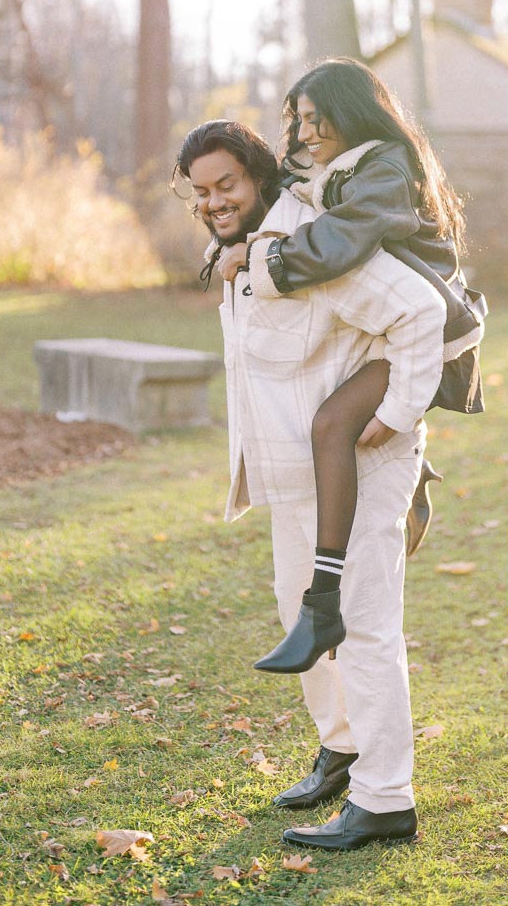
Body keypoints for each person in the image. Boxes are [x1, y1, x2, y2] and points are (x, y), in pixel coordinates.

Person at [172, 118, 447, 850]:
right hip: (294, 475)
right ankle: (343, 749)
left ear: (260, 175)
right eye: (201, 191)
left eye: (227, 184)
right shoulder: (243, 251)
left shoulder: (314, 245)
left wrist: (396, 415)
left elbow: (421, 312)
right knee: (301, 610)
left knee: (363, 627)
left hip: (356, 470)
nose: (214, 201)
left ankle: (384, 799)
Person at [216, 59, 486, 674]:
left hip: (427, 338)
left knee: (332, 425)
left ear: (352, 111)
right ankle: (409, 489)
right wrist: (240, 238)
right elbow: (281, 202)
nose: (305, 133)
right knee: (330, 423)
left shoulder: (385, 168)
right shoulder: (336, 166)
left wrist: (267, 264)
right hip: (388, 334)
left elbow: (339, 240)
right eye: (298, 120)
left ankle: (322, 604)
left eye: (317, 119)